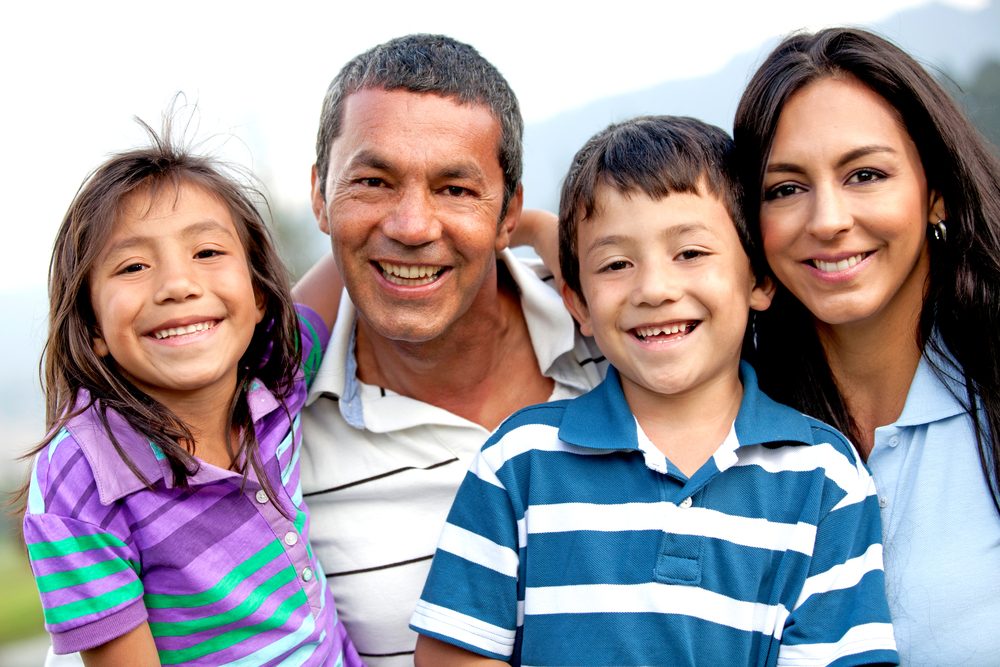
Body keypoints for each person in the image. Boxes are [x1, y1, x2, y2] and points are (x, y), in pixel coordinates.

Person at [409, 116, 899, 666]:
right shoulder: (519, 461)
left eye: (690, 253)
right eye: (616, 264)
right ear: (578, 305)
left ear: (760, 279)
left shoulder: (824, 477)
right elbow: (452, 656)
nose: (654, 289)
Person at [295, 34, 606, 666]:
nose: (411, 226)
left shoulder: (619, 324)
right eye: (373, 181)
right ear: (320, 196)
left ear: (509, 213)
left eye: (456, 189)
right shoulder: (266, 437)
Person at [19, 119, 363, 667]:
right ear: (92, 330)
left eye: (206, 252)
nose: (178, 284)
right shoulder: (84, 474)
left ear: (256, 297)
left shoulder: (274, 373)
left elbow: (354, 256)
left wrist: (536, 229)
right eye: (133, 266)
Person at [733, 28, 1000, 666]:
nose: (827, 219)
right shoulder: (721, 415)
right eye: (785, 188)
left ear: (935, 191)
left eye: (865, 174)